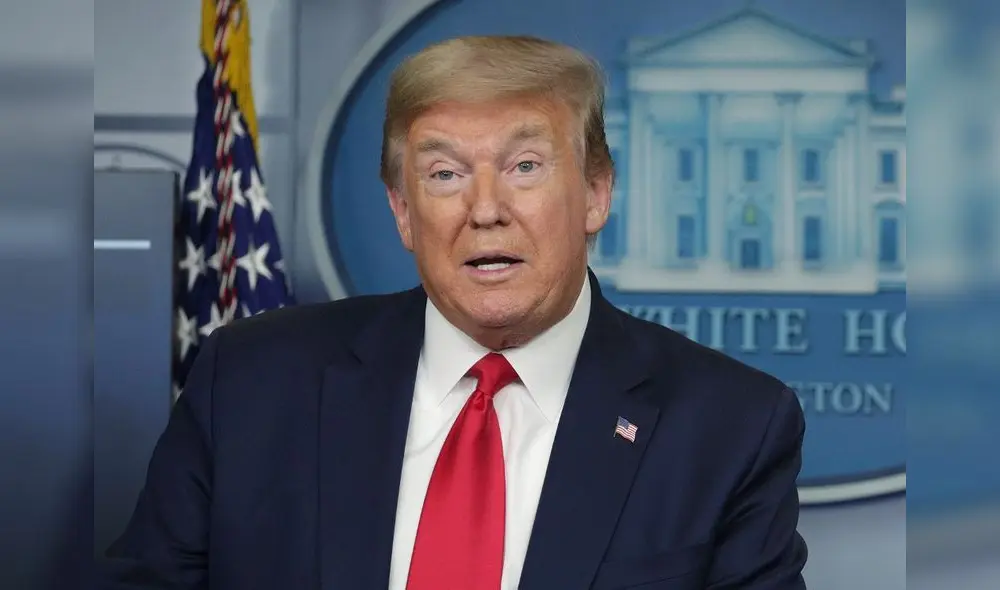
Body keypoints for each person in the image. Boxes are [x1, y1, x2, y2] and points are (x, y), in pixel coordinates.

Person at [100, 35, 808, 589]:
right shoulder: (251, 381)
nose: (487, 209)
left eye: (525, 165)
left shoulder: (730, 426)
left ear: (595, 194)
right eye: (445, 175)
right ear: (403, 212)